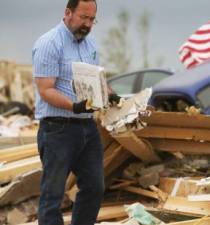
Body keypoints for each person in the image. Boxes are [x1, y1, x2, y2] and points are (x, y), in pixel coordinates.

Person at [32, 1, 119, 224]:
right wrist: (74, 106)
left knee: (94, 187)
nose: (87, 24)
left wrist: (111, 94)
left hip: (87, 128)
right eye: (83, 17)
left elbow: (97, 80)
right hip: (57, 128)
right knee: (53, 195)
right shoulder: (49, 43)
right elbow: (45, 90)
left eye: (92, 19)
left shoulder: (90, 44)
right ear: (68, 13)